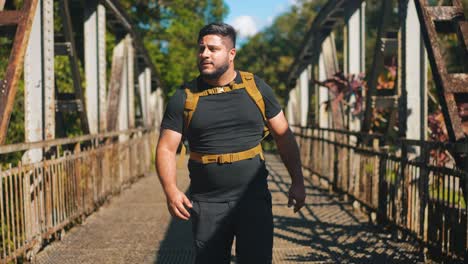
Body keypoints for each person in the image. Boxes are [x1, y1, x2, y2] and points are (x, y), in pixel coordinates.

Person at [155, 22, 305, 264]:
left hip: (253, 199)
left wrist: (297, 181)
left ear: (231, 53)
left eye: (213, 49)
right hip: (206, 203)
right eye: (201, 48)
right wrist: (171, 191)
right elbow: (166, 148)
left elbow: (283, 136)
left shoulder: (256, 88)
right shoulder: (183, 97)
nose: (204, 54)